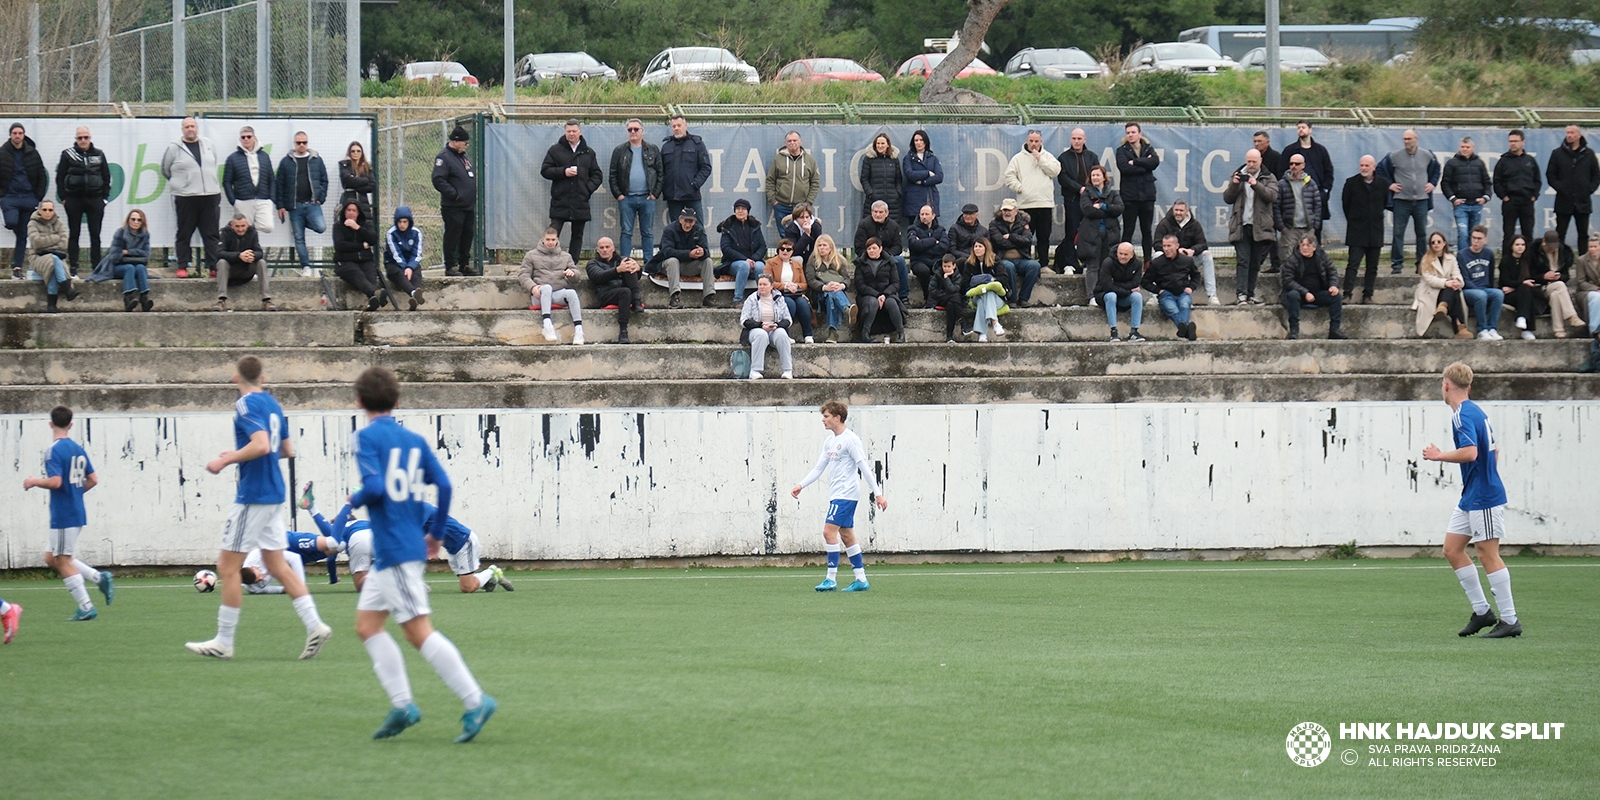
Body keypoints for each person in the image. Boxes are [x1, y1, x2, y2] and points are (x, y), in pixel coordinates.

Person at [345, 366, 497, 742]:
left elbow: (376, 487)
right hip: (397, 549)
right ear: (396, 402)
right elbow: (443, 484)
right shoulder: (413, 440)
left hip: (396, 549)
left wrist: (356, 497)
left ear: (359, 402)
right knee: (367, 626)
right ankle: (403, 706)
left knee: (418, 633)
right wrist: (435, 533)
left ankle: (475, 700)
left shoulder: (365, 438)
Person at [185, 356, 333, 661]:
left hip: (254, 495)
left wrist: (227, 458)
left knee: (227, 568)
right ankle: (315, 624)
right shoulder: (273, 404)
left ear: (235, 378)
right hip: (274, 492)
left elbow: (263, 445)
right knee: (277, 565)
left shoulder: (245, 404)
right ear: (263, 378)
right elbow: (286, 449)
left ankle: (224, 641)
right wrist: (246, 453)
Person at [1423, 362, 1521, 639]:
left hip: (1484, 496)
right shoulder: (1476, 411)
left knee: (1488, 554)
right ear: (1469, 385)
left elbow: (1470, 453)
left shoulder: (1462, 415)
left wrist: (1438, 455)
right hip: (1473, 494)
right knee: (1452, 549)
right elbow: (1493, 451)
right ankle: (1482, 612)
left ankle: (1510, 620)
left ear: (1446, 385)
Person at [22, 405, 113, 621]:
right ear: (70, 425)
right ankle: (98, 578)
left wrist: (34, 481)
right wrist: (75, 492)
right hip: (75, 510)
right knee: (51, 558)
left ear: (50, 424)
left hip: (64, 514)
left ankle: (86, 606)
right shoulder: (77, 448)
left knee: (62, 561)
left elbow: (55, 482)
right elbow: (93, 479)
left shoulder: (53, 450)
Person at [791, 401, 887, 593]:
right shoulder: (829, 441)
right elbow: (819, 467)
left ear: (837, 417)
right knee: (846, 535)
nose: (823, 420)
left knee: (828, 532)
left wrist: (878, 494)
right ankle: (861, 579)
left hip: (846, 494)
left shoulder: (851, 439)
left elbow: (864, 468)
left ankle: (831, 579)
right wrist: (801, 484)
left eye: (826, 416)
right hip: (838, 494)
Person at [160, 117, 223, 279]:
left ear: (197, 128)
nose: (190, 129)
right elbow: (165, 170)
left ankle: (213, 267)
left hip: (210, 195)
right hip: (186, 197)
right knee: (184, 232)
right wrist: (182, 184)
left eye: (192, 126)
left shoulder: (208, 144)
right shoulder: (174, 148)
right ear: (182, 129)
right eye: (187, 126)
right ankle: (182, 266)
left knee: (211, 234)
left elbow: (213, 162)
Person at [541, 120, 603, 262]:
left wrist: (586, 190)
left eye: (574, 131)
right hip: (560, 199)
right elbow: (545, 170)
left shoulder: (588, 152)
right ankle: (548, 260)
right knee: (553, 231)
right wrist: (563, 172)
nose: (571, 134)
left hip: (580, 200)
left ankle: (572, 263)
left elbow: (597, 175)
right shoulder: (555, 150)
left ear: (580, 132)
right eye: (568, 131)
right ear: (565, 132)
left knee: (577, 235)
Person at [1223, 149, 1278, 305]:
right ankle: (1241, 294)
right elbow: (1227, 198)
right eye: (1249, 161)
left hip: (1259, 226)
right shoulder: (1237, 175)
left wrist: (1256, 184)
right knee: (1243, 260)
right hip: (1241, 225)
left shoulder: (1269, 176)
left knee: (1255, 262)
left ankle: (1250, 293)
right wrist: (1234, 184)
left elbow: (1272, 196)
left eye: (1254, 161)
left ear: (1260, 161)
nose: (1251, 164)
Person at [1379, 130, 1439, 274]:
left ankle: (1421, 264)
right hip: (1401, 201)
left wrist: (1432, 183)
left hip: (1421, 201)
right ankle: (1397, 265)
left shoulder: (1427, 155)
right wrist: (1390, 184)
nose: (1406, 142)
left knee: (1422, 233)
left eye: (1409, 139)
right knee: (1398, 233)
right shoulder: (1394, 156)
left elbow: (1436, 169)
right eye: (1404, 139)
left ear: (1416, 139)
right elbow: (1380, 169)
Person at [55, 126, 110, 275]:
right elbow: (60, 177)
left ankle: (96, 267)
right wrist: (64, 198)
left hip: (95, 199)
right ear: (76, 139)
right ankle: (73, 267)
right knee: (74, 234)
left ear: (90, 138)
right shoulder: (68, 154)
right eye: (80, 138)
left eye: (86, 137)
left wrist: (104, 198)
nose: (83, 140)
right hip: (74, 199)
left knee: (95, 234)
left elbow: (106, 177)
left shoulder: (99, 154)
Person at [273, 132, 329, 277]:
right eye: (299, 142)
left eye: (304, 142)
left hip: (312, 204)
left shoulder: (316, 159)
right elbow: (279, 185)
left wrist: (321, 197)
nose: (302, 145)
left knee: (321, 227)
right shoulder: (286, 162)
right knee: (299, 237)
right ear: (294, 143)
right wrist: (280, 205)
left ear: (308, 142)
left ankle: (302, 223)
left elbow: (324, 180)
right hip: (294, 206)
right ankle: (306, 266)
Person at [1003, 130, 1060, 268]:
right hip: (1025, 205)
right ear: (1027, 141)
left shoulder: (1047, 156)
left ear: (1041, 142)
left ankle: (1044, 265)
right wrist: (1020, 188)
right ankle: (1027, 264)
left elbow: (1055, 171)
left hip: (1044, 204)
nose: (1033, 144)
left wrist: (1040, 158)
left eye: (1036, 141)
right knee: (1025, 237)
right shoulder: (1018, 158)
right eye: (1031, 141)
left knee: (1044, 236)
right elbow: (1009, 176)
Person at [520, 227, 585, 344]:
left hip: (557, 294)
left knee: (571, 293)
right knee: (546, 288)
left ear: (557, 240)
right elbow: (523, 275)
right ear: (542, 239)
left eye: (553, 240)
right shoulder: (531, 255)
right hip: (540, 295)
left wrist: (572, 274)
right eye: (548, 239)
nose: (550, 242)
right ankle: (547, 324)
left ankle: (579, 330)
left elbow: (577, 276)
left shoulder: (566, 256)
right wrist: (533, 287)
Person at [610, 118, 662, 260]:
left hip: (647, 198)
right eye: (630, 129)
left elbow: (660, 173)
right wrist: (619, 195)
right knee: (626, 232)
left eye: (636, 129)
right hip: (627, 199)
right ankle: (625, 262)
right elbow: (613, 174)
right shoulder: (619, 151)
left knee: (648, 232)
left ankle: (649, 264)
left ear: (642, 131)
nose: (633, 132)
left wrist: (655, 194)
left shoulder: (653, 149)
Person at [2, 123, 48, 279]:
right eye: (14, 133)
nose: (17, 135)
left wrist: (38, 196)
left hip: (29, 198)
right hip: (10, 198)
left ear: (24, 135)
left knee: (23, 234)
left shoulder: (32, 153)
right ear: (10, 135)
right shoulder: (3, 153)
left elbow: (42, 175)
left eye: (20, 133)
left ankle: (17, 268)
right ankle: (12, 224)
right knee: (11, 222)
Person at [1342, 155, 1388, 304]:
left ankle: (1368, 295)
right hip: (1356, 232)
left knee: (1372, 266)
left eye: (1367, 166)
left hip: (1375, 231)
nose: (1363, 168)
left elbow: (1385, 202)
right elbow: (1346, 205)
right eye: (1361, 165)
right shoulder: (1351, 183)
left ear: (1374, 167)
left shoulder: (1382, 183)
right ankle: (1347, 294)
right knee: (1353, 264)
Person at [1281, 233, 1345, 340]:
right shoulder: (1292, 260)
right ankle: (1294, 331)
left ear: (1314, 247)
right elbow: (1288, 281)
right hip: (1299, 294)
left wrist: (1333, 286)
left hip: (1317, 293)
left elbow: (1332, 272)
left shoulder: (1322, 257)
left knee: (1336, 297)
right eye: (1303, 245)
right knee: (1292, 295)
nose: (1305, 248)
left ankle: (1334, 330)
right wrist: (1305, 292)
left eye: (1308, 245)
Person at [432, 125, 478, 277]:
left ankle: (464, 264)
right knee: (453, 235)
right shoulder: (444, 157)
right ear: (456, 141)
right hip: (453, 206)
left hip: (467, 206)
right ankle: (450, 265)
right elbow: (438, 180)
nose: (467, 145)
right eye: (465, 142)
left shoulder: (462, 158)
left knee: (467, 234)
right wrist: (454, 194)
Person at [88, 208, 154, 312]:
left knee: (141, 267)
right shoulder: (120, 233)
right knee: (130, 267)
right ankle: (128, 299)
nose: (136, 222)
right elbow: (114, 256)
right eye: (133, 219)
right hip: (116, 266)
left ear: (143, 222)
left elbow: (146, 255)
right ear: (128, 220)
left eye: (139, 220)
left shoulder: (145, 235)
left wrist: (128, 252)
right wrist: (136, 255)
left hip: (136, 265)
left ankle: (144, 298)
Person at [1546, 124, 1600, 250]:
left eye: (1572, 133)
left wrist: (1588, 189)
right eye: (1567, 133)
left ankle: (1583, 264)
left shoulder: (1588, 154)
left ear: (1579, 135)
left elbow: (1596, 175)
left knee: (1583, 235)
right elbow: (1551, 175)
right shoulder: (1557, 153)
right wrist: (1561, 188)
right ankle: (1560, 264)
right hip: (1563, 201)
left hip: (1583, 202)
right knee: (1560, 234)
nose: (1569, 135)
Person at [648, 207, 715, 308]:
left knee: (708, 261)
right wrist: (689, 254)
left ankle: (709, 296)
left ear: (695, 221)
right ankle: (674, 297)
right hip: (668, 266)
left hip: (688, 266)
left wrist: (702, 252)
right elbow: (667, 251)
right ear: (680, 219)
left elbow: (707, 252)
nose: (688, 224)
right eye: (685, 221)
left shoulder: (699, 230)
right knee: (673, 261)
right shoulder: (669, 230)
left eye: (691, 221)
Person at [1152, 200, 1215, 304]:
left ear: (1187, 211)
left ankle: (1212, 295)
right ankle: (1154, 296)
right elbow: (1156, 244)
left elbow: (1203, 244)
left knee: (1207, 255)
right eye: (1176, 210)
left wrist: (1192, 250)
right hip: (1168, 260)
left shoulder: (1195, 224)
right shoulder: (1164, 224)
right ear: (1173, 210)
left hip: (1188, 259)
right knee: (1157, 255)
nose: (1178, 213)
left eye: (1181, 210)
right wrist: (1174, 251)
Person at [1076, 165, 1123, 306]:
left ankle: (1106, 294)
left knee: (1107, 266)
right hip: (1091, 235)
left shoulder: (1113, 193)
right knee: (1093, 266)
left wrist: (1103, 206)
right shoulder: (1086, 193)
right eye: (1093, 175)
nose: (1095, 178)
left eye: (1098, 175)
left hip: (1110, 235)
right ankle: (1092, 296)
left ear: (1104, 177)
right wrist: (1109, 211)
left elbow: (1119, 208)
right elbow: (1087, 210)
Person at [1523, 230, 1583, 338]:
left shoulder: (1563, 253)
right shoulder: (1534, 253)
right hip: (1540, 287)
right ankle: (1572, 316)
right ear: (1544, 242)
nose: (1553, 248)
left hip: (1556, 287)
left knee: (1556, 294)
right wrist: (1543, 277)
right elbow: (1530, 276)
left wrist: (1559, 276)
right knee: (1560, 286)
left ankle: (1559, 330)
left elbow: (1566, 276)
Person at [1054, 128, 1099, 273]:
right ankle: (1069, 264)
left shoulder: (1092, 156)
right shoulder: (1064, 158)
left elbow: (1097, 174)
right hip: (1072, 200)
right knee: (1071, 232)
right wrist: (1079, 188)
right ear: (1070, 140)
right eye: (1074, 138)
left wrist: (1090, 192)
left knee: (1088, 233)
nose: (1077, 141)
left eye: (1079, 138)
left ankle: (1087, 263)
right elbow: (1063, 178)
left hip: (1090, 201)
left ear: (1084, 139)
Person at [1413, 231, 1472, 339]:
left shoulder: (1451, 258)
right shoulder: (1426, 259)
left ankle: (1443, 306)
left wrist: (1457, 282)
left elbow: (1457, 274)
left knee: (1453, 290)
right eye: (1433, 242)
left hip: (1448, 290)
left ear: (1444, 243)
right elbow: (1430, 280)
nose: (1436, 244)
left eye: (1439, 241)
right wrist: (1446, 282)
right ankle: (1460, 327)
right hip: (1430, 291)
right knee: (1452, 291)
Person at [1115, 122, 1159, 263]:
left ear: (1140, 134)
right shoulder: (1122, 150)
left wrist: (1135, 162)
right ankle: (1125, 260)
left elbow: (1155, 162)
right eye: (1128, 132)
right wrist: (1145, 165)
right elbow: (1124, 168)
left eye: (1133, 132)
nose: (1130, 135)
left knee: (1147, 231)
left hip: (1147, 197)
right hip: (1130, 197)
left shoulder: (1148, 148)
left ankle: (1148, 261)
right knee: (1128, 230)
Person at [1279, 120, 1334, 232]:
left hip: (1316, 195)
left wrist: (1325, 191)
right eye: (1298, 127)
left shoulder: (1320, 150)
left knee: (1314, 234)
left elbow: (1329, 171)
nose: (1300, 130)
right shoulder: (1290, 150)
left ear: (1310, 130)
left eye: (1303, 127)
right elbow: (1281, 171)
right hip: (1294, 196)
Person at [1143, 234, 1201, 341]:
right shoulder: (1157, 263)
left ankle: (1183, 329)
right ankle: (1187, 329)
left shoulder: (1186, 261)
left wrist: (1191, 287)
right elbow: (1145, 281)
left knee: (1184, 304)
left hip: (1183, 292)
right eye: (1164, 246)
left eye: (1169, 246)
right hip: (1166, 294)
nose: (1166, 249)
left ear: (1177, 246)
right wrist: (1158, 291)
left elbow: (1196, 276)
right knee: (1171, 308)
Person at [1440, 137, 1492, 255]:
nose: (1464, 149)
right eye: (1462, 147)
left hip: (1476, 205)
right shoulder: (1452, 163)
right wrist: (1453, 198)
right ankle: (1463, 259)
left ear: (1473, 148)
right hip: (1461, 206)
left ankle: (1475, 258)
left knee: (1475, 235)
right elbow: (1445, 183)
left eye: (1467, 147)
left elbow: (1487, 182)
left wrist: (1485, 198)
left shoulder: (1479, 163)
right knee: (1463, 233)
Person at [1493, 130, 1541, 256]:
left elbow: (1537, 180)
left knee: (1528, 235)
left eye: (1515, 141)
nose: (1512, 144)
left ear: (1523, 142)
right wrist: (1504, 197)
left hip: (1527, 202)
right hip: (1510, 202)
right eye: (1510, 141)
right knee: (1508, 235)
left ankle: (1528, 266)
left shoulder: (1530, 160)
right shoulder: (1503, 161)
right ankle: (1507, 265)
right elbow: (1496, 181)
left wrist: (1534, 195)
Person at [222, 126, 275, 236]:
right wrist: (234, 201)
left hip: (263, 199)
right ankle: (248, 252)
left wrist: (271, 198)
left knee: (268, 226)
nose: (246, 139)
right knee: (243, 233)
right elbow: (227, 182)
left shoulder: (264, 156)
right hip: (243, 200)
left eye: (249, 136)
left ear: (254, 138)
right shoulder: (233, 158)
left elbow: (271, 178)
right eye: (243, 137)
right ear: (240, 139)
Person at [332, 201, 384, 312]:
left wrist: (358, 228)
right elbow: (340, 246)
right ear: (344, 212)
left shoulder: (365, 225)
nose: (351, 213)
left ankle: (373, 302)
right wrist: (361, 245)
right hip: (345, 262)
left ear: (358, 213)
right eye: (348, 210)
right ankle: (374, 294)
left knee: (370, 275)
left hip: (365, 260)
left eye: (354, 210)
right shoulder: (338, 227)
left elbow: (373, 239)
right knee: (357, 273)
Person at [26, 201, 78, 313]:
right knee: (53, 260)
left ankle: (51, 306)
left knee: (53, 263)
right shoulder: (32, 224)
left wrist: (47, 242)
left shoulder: (59, 223)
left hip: (57, 257)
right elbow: (37, 242)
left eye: (50, 210)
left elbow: (64, 244)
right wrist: (55, 238)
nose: (47, 212)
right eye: (44, 209)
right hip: (37, 257)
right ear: (39, 211)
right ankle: (66, 288)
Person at [988, 198, 1041, 307]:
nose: (1006, 213)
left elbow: (1028, 240)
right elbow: (999, 242)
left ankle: (1023, 298)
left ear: (1016, 211)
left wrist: (1011, 237)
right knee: (1008, 266)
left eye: (1009, 210)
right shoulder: (994, 224)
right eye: (1004, 210)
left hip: (1022, 259)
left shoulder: (1023, 223)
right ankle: (1012, 300)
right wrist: (1018, 241)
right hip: (1003, 258)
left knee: (1035, 265)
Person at [586, 237, 641, 343]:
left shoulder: (622, 260)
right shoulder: (592, 264)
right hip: (605, 294)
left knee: (629, 265)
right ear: (597, 250)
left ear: (613, 248)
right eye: (601, 248)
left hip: (625, 292)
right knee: (625, 291)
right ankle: (623, 331)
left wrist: (638, 269)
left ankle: (637, 299)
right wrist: (618, 270)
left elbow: (635, 276)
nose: (604, 250)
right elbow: (598, 276)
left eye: (607, 247)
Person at [854, 200, 908, 306]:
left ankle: (903, 296)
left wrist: (884, 255)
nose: (877, 214)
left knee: (900, 261)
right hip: (869, 256)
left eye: (880, 212)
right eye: (875, 212)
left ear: (886, 213)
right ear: (871, 212)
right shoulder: (864, 224)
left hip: (888, 256)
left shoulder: (894, 226)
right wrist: (873, 254)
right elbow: (859, 247)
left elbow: (898, 246)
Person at [741, 275, 795, 380]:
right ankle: (755, 370)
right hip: (755, 330)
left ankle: (787, 370)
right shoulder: (751, 299)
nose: (762, 287)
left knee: (782, 334)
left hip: (774, 329)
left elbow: (788, 320)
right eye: (760, 284)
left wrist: (777, 325)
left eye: (765, 284)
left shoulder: (779, 298)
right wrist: (760, 325)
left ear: (771, 286)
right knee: (761, 334)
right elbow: (744, 320)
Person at [214, 213, 271, 312]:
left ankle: (267, 300)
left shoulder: (252, 232)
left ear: (247, 225)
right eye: (237, 226)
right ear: (232, 226)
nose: (240, 229)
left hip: (247, 270)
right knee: (222, 262)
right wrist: (239, 256)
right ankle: (221, 300)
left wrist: (251, 255)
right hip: (230, 272)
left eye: (243, 226)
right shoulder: (225, 233)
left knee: (261, 262)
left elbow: (259, 252)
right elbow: (219, 253)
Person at [660, 114, 710, 224]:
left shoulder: (697, 144)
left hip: (691, 194)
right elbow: (661, 171)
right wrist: (665, 187)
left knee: (698, 227)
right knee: (676, 228)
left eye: (679, 125)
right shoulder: (666, 146)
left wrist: (695, 184)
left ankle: (699, 243)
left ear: (685, 126)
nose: (676, 128)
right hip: (673, 195)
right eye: (673, 126)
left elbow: (706, 167)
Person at [765, 131, 819, 232]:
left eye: (795, 140)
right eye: (789, 141)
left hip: (801, 207)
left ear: (800, 142)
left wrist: (808, 202)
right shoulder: (778, 159)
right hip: (781, 205)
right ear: (786, 143)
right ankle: (789, 249)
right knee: (785, 235)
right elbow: (770, 180)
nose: (792, 143)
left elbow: (815, 182)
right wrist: (774, 201)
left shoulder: (810, 160)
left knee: (803, 233)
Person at [853, 237, 904, 343]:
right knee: (872, 302)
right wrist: (877, 295)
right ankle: (865, 333)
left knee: (891, 302)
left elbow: (895, 283)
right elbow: (860, 285)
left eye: (874, 248)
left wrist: (884, 295)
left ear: (880, 249)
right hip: (867, 296)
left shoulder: (890, 262)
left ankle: (901, 333)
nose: (871, 251)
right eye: (869, 249)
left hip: (887, 295)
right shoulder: (860, 263)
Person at [1274, 154, 1322, 264]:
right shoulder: (1282, 184)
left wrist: (1315, 227)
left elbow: (1318, 205)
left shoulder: (1310, 183)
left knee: (1309, 260)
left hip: (1308, 228)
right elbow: (1275, 206)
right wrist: (1282, 227)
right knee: (1287, 260)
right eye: (1291, 163)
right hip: (1290, 229)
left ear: (1303, 165)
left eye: (1297, 164)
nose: (1293, 166)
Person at [717, 198, 767, 303]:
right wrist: (745, 259)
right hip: (733, 263)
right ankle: (738, 299)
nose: (740, 211)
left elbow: (763, 247)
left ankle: (763, 298)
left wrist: (753, 259)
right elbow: (726, 248)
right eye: (738, 208)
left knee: (760, 266)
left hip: (753, 261)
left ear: (748, 211)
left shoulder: (755, 226)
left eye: (743, 208)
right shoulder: (728, 226)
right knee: (744, 266)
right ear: (734, 211)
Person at [805, 234, 852, 343]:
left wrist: (841, 285)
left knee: (832, 295)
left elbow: (847, 279)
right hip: (819, 294)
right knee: (831, 291)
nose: (821, 248)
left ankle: (832, 333)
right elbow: (811, 280)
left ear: (831, 247)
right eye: (819, 245)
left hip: (834, 293)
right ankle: (846, 309)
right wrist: (825, 287)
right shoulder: (812, 261)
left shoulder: (839, 260)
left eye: (824, 245)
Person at [764, 239, 813, 344]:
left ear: (792, 251)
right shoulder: (770, 263)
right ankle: (785, 334)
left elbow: (804, 284)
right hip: (778, 293)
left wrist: (796, 285)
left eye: (788, 249)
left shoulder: (797, 264)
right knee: (789, 304)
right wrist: (786, 285)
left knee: (803, 304)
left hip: (795, 292)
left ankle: (808, 334)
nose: (785, 251)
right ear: (778, 250)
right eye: (782, 249)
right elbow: (768, 282)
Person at [1459, 226, 1503, 340]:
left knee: (1498, 294)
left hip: (1485, 288)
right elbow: (1464, 279)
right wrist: (1479, 290)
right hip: (1469, 290)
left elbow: (1491, 274)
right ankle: (1482, 329)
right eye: (1473, 238)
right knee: (1481, 295)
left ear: (1485, 240)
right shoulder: (1462, 254)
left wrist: (1489, 289)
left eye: (1479, 238)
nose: (1476, 241)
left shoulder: (1489, 253)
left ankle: (1492, 328)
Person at [1097, 242, 1145, 342]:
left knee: (1137, 296)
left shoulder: (1137, 264)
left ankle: (1134, 332)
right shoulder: (1108, 262)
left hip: (1123, 297)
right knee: (1111, 296)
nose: (1122, 256)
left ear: (1132, 255)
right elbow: (1107, 286)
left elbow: (1136, 282)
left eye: (1126, 254)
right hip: (1104, 295)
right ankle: (1113, 331)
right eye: (1120, 253)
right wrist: (1128, 290)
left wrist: (1118, 286)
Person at [964, 237, 1008, 342]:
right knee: (984, 293)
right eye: (975, 246)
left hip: (996, 299)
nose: (977, 249)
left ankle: (982, 334)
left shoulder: (995, 260)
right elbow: (965, 283)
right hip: (976, 296)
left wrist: (990, 280)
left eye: (980, 246)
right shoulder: (969, 263)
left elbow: (1004, 278)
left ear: (986, 248)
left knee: (988, 292)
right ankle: (995, 323)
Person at [383, 206, 426, 310]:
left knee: (416, 272)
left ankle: (416, 297)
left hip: (410, 263)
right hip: (393, 263)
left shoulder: (416, 233)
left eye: (404, 222)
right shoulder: (391, 233)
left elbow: (417, 253)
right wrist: (404, 267)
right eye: (400, 222)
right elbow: (395, 254)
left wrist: (410, 267)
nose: (402, 225)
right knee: (399, 273)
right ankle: (413, 293)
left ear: (409, 222)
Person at [906, 204, 949, 307]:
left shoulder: (940, 229)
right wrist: (933, 241)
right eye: (922, 214)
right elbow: (914, 245)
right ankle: (928, 297)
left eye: (927, 214)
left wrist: (923, 245)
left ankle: (940, 299)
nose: (924, 216)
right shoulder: (913, 228)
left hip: (936, 261)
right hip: (919, 262)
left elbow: (944, 247)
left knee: (941, 271)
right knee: (923, 271)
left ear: (933, 216)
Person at [900, 129, 942, 227]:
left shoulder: (933, 158)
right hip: (914, 200)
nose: (918, 143)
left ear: (925, 142)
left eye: (921, 140)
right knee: (914, 228)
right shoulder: (908, 158)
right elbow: (910, 174)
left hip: (930, 197)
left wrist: (923, 182)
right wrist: (927, 173)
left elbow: (939, 177)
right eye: (916, 140)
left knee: (933, 229)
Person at [859, 132, 902, 221]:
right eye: (878, 143)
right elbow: (864, 179)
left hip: (892, 202)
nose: (880, 146)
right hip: (873, 201)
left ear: (887, 145)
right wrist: (871, 193)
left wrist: (897, 193)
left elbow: (899, 179)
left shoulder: (894, 159)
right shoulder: (869, 159)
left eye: (882, 143)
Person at [1574, 234, 1600, 370]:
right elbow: (1580, 282)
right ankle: (1595, 329)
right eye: (1590, 247)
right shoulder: (1581, 260)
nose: (1593, 249)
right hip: (1585, 292)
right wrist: (1595, 288)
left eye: (1595, 247)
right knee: (1596, 298)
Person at [929, 253, 966, 342]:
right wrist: (945, 279)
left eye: (948, 266)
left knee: (951, 305)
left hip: (952, 301)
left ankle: (949, 336)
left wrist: (947, 279)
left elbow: (954, 289)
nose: (946, 268)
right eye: (944, 266)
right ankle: (963, 323)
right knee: (955, 296)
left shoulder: (958, 276)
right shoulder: (938, 274)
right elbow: (932, 290)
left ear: (954, 266)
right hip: (939, 299)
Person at [338, 140, 376, 216]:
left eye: (358, 151)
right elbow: (347, 181)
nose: (356, 153)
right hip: (348, 200)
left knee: (364, 225)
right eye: (353, 151)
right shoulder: (344, 165)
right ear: (349, 153)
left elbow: (372, 185)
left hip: (363, 201)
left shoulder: (367, 167)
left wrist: (355, 186)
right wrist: (365, 180)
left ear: (362, 153)